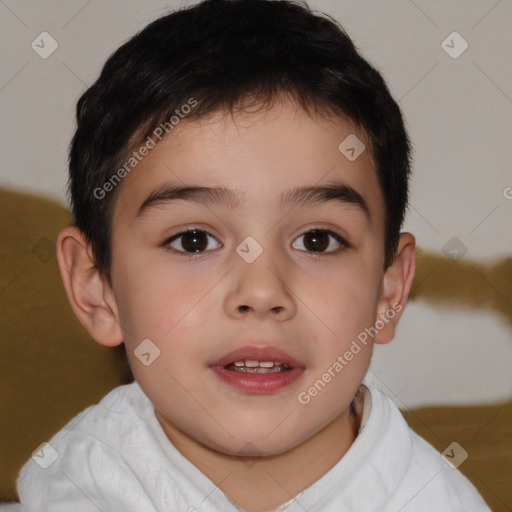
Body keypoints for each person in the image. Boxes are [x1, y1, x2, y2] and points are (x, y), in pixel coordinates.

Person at [14, 0, 491, 510]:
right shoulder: (77, 484)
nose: (262, 292)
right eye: (193, 240)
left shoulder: (435, 499)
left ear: (389, 291)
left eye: (317, 240)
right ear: (97, 289)